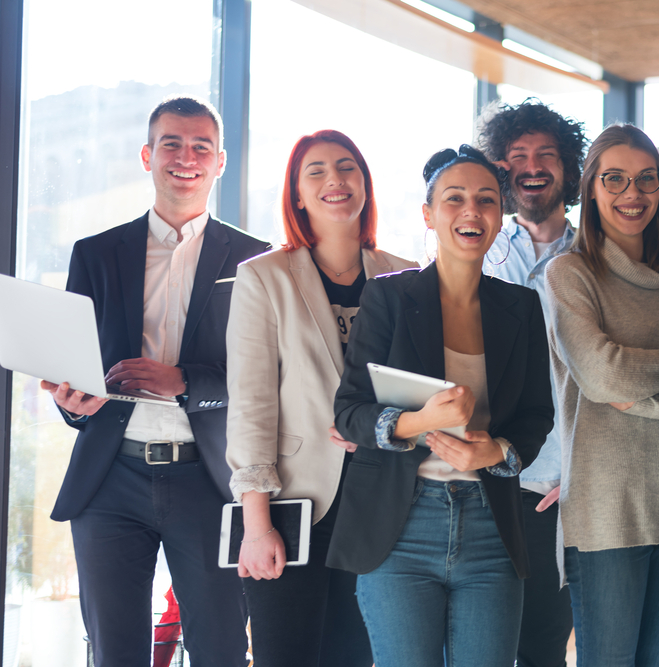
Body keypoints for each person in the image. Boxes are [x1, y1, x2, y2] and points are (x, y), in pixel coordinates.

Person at [41, 96, 270, 666]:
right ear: (148, 155)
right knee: (114, 653)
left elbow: (266, 380)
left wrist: (184, 382)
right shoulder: (95, 254)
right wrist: (72, 404)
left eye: (201, 147)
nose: (185, 158)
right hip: (109, 480)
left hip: (210, 481)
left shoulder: (258, 261)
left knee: (220, 650)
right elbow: (76, 363)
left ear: (220, 162)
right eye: (171, 144)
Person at [327, 145, 554, 667]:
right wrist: (419, 421)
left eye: (487, 199)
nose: (472, 210)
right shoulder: (388, 297)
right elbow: (350, 411)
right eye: (455, 198)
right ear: (429, 214)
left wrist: (496, 451)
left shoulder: (521, 306)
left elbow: (537, 415)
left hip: (491, 528)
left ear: (500, 215)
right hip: (399, 528)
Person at [225, 130, 416, 666]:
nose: (335, 179)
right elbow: (251, 404)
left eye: (347, 166)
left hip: (383, 500)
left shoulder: (407, 278)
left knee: (357, 656)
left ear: (365, 184)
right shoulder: (264, 277)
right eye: (317, 171)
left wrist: (375, 426)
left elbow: (420, 389)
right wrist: (256, 524)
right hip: (296, 502)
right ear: (298, 194)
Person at [544, 123, 659, 667]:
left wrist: (649, 393)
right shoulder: (569, 274)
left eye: (646, 179)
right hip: (606, 511)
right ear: (591, 188)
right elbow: (604, 376)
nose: (632, 193)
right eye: (614, 178)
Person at [477, 98, 587, 667]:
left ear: (568, 167)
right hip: (481, 481)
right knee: (479, 646)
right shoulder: (476, 250)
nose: (532, 166)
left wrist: (582, 473)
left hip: (557, 486)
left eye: (547, 154)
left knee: (543, 646)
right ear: (499, 168)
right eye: (517, 155)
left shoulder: (596, 254)